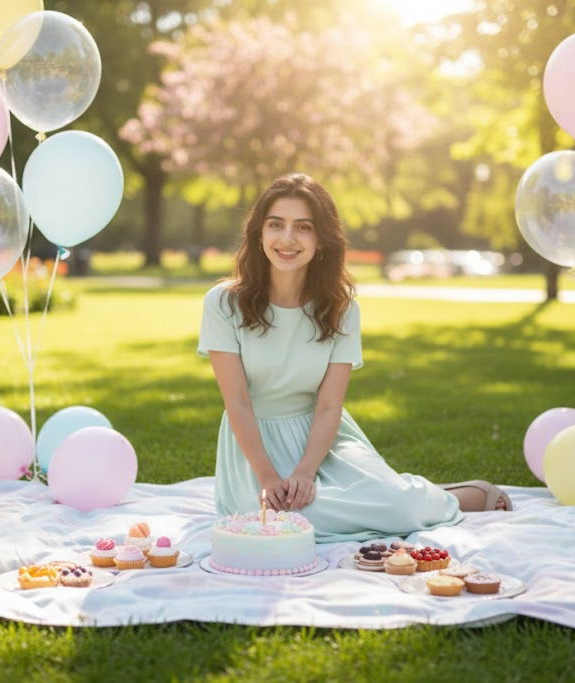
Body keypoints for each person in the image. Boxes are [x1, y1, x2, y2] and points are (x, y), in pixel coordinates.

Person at [197, 173, 510, 543]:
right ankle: (388, 494)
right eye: (276, 225)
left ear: (321, 240)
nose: (287, 239)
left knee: (399, 509)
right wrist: (268, 477)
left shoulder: (341, 309)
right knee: (278, 524)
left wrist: (305, 472)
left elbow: (330, 405)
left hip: (323, 438)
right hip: (252, 448)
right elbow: (237, 402)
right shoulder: (223, 303)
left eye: (303, 227)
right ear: (259, 233)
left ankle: (442, 497)